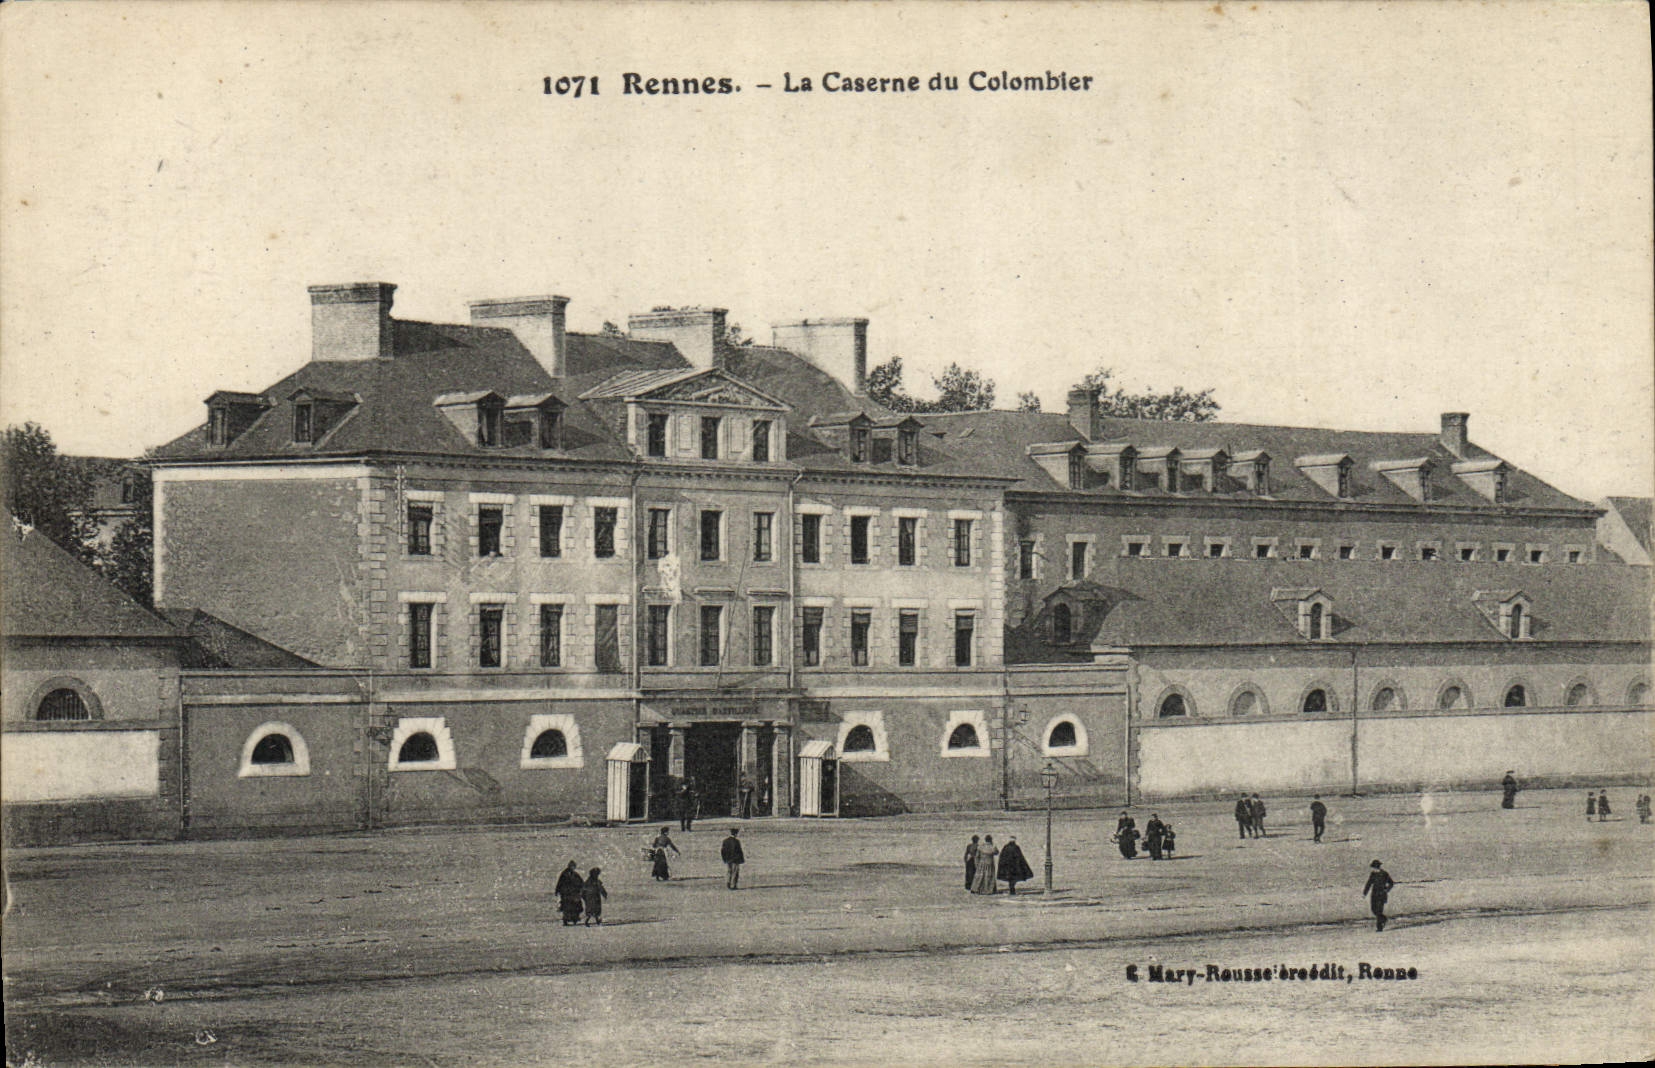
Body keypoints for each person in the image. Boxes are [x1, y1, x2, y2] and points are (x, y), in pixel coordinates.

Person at [1362, 860, 1395, 932]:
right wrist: (1365, 893)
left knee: (1379, 911)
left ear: (1376, 867)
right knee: (1373, 910)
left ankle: (1379, 928)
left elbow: (1391, 883)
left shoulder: (1384, 874)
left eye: (1373, 867)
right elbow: (1369, 883)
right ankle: (1384, 919)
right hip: (1374, 894)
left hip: (1381, 894)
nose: (1373, 869)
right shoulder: (1373, 874)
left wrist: (1386, 890)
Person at [555, 860, 584, 926]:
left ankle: (575, 919)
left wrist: (581, 889)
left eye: (574, 866)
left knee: (575, 907)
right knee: (566, 907)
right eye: (572, 866)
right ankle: (566, 920)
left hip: (574, 894)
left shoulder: (575, 874)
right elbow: (560, 883)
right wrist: (557, 891)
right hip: (566, 894)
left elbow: (581, 882)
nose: (573, 867)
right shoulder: (564, 874)